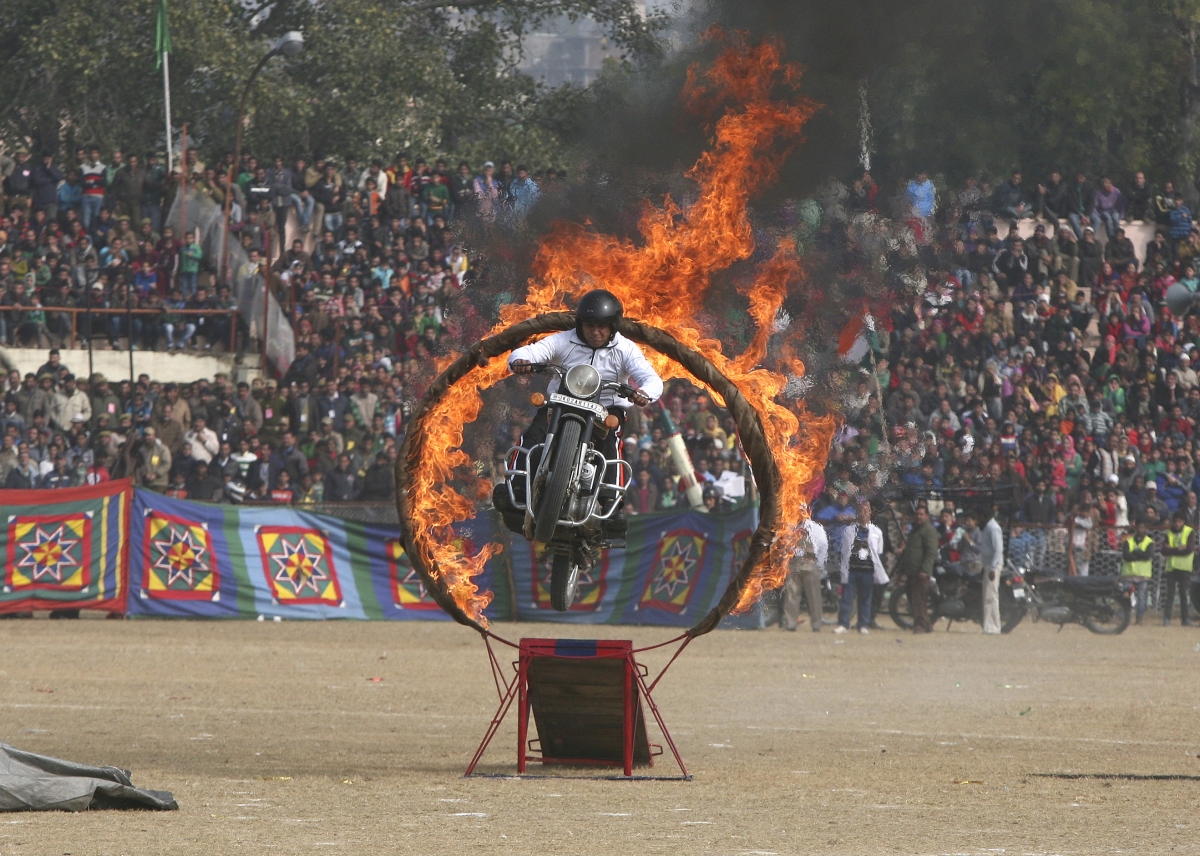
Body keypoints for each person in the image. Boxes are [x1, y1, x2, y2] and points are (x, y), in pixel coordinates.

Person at [503, 289, 663, 535]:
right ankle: (514, 488)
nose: (596, 332)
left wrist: (644, 393)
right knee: (534, 435)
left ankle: (612, 505)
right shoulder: (562, 340)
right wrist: (521, 360)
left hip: (606, 408)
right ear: (580, 324)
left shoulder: (626, 349)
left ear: (613, 326)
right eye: (590, 326)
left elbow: (651, 379)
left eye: (602, 327)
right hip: (560, 402)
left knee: (612, 442)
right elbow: (530, 352)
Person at [835, 502, 887, 634]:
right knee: (847, 597)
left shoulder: (877, 532)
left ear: (871, 512)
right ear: (858, 513)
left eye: (867, 510)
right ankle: (843, 624)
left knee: (865, 598)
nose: (864, 513)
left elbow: (878, 552)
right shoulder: (849, 530)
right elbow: (845, 550)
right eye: (862, 510)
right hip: (852, 569)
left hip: (868, 570)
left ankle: (863, 624)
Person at [782, 517, 828, 632]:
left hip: (810, 562)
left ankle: (816, 624)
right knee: (791, 594)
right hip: (793, 562)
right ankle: (791, 623)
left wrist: (820, 565)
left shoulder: (815, 528)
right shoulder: (789, 527)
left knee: (814, 595)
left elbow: (823, 545)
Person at [896, 505, 938, 633]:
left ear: (927, 516)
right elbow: (910, 551)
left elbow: (931, 552)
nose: (918, 517)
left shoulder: (929, 531)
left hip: (920, 572)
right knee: (913, 599)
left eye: (921, 514)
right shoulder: (915, 530)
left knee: (919, 600)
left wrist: (925, 570)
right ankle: (927, 625)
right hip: (911, 571)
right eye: (917, 514)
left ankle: (919, 626)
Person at [1160, 511, 1195, 626]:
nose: (1177, 524)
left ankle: (1185, 619)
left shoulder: (1189, 532)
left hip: (1184, 568)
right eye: (1175, 522)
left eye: (1179, 522)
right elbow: (1164, 551)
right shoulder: (1168, 533)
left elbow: (1189, 549)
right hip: (1171, 567)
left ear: (1183, 522)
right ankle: (1167, 618)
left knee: (1183, 594)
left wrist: (1172, 550)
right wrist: (1178, 549)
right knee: (1170, 594)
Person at [1120, 517, 1155, 625]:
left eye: (1142, 527)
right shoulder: (1128, 541)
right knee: (1125, 596)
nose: (1140, 529)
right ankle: (1122, 617)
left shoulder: (1150, 542)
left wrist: (1134, 554)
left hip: (1142, 574)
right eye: (1139, 527)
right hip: (1129, 573)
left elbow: (1148, 555)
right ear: (1135, 528)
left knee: (1142, 598)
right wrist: (1140, 553)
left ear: (1145, 528)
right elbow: (1125, 555)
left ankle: (1139, 618)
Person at [980, 505, 1005, 634]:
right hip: (988, 565)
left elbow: (998, 550)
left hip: (992, 566)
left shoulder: (993, 528)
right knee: (988, 596)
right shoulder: (988, 527)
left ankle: (993, 627)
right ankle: (989, 626)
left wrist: (993, 568)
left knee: (991, 596)